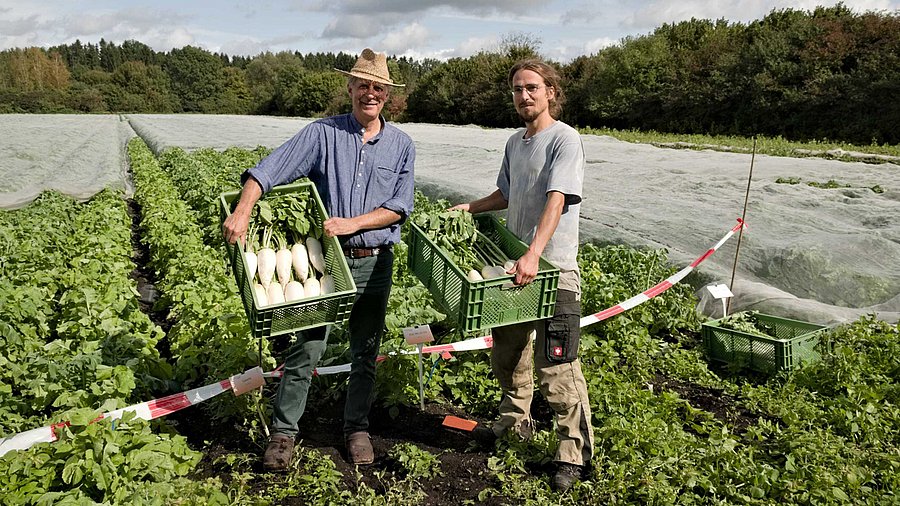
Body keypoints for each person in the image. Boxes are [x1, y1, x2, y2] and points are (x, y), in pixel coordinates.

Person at [222, 48, 415, 470]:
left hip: (374, 261)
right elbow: (267, 170)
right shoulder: (322, 134)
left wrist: (353, 223)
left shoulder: (401, 145)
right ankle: (284, 434)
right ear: (349, 87)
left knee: (366, 349)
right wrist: (243, 209)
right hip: (327, 262)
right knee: (306, 347)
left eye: (378, 87)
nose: (370, 93)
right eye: (363, 84)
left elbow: (400, 205)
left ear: (387, 95)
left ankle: (357, 429)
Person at [450, 59, 593, 492]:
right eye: (517, 89)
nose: (524, 96)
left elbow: (557, 198)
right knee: (508, 355)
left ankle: (573, 455)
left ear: (550, 91)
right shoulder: (516, 142)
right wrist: (468, 208)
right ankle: (514, 425)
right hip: (516, 271)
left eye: (532, 87)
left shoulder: (565, 140)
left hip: (554, 273)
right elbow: (506, 194)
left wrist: (535, 253)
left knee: (559, 366)